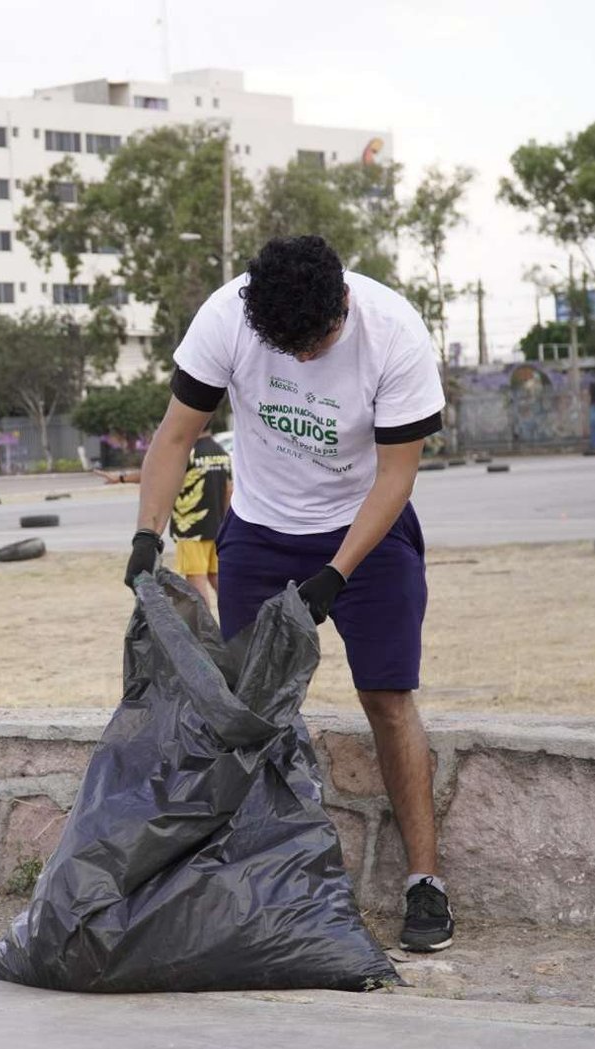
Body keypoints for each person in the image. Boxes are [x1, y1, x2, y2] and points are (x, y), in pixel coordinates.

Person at [125, 235, 453, 953]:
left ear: (343, 304)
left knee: (387, 697)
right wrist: (147, 537)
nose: (302, 359)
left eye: (315, 345)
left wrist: (335, 574)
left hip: (369, 527)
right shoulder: (227, 318)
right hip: (261, 531)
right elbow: (177, 436)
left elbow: (397, 476)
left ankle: (425, 883)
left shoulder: (393, 334)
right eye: (287, 348)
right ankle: (262, 881)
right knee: (252, 710)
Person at [98, 409, 233, 613]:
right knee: (215, 576)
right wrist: (226, 524)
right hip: (217, 527)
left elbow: (158, 473)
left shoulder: (188, 451)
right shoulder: (221, 453)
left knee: (196, 579)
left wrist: (121, 478)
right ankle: (234, 621)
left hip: (191, 528)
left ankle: (205, 626)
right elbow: (229, 490)